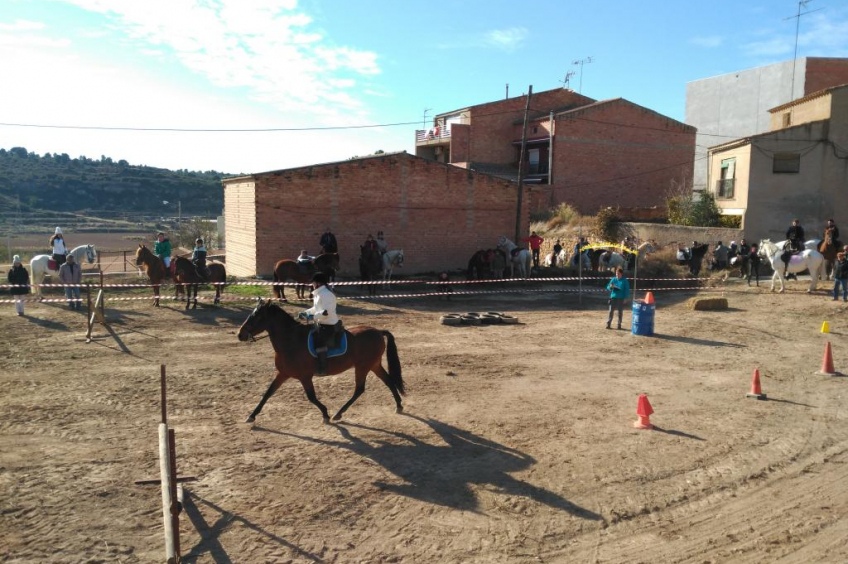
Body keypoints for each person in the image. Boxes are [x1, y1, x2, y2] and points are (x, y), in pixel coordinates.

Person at [298, 272, 341, 375]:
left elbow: (326, 312)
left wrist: (312, 317)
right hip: (321, 322)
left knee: (319, 341)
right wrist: (306, 313)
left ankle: (323, 367)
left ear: (318, 283)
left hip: (329, 324)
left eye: (313, 282)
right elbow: (316, 308)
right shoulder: (319, 294)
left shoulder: (327, 294)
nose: (311, 284)